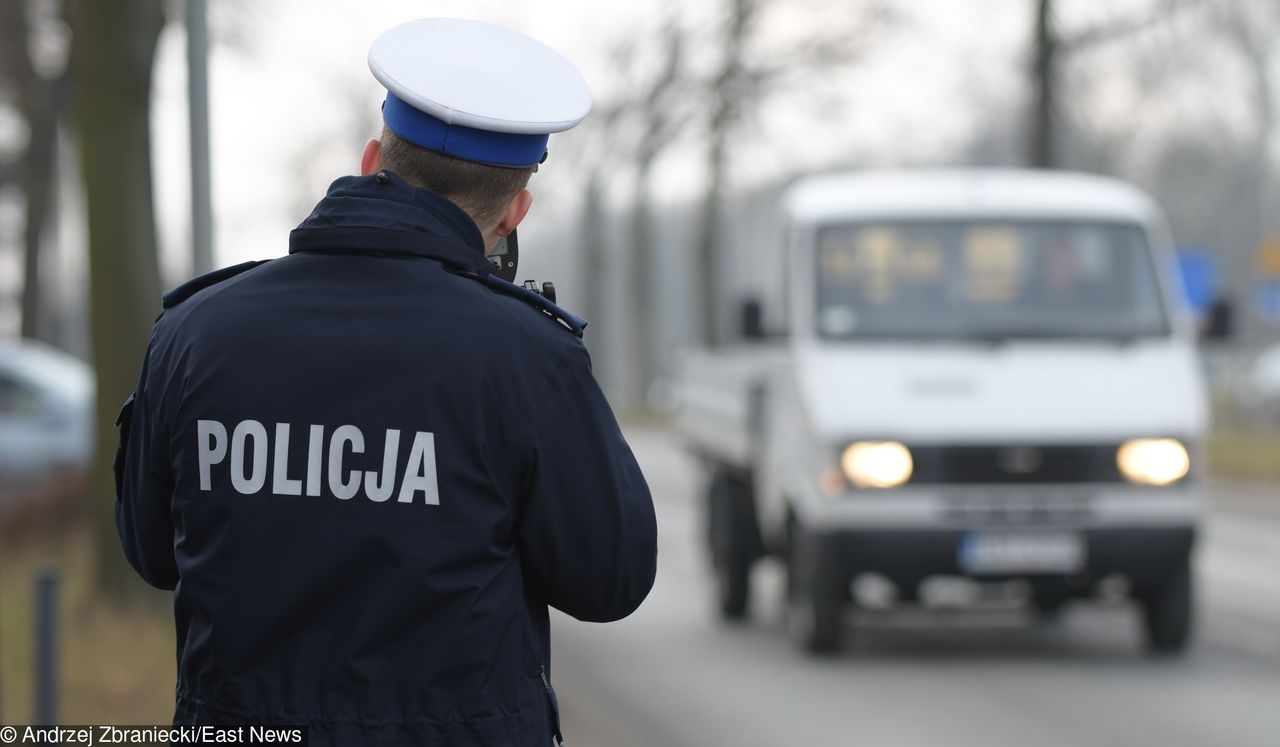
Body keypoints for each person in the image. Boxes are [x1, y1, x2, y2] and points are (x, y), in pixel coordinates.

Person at [113, 17, 657, 746]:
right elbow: (610, 581)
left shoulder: (195, 332)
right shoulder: (530, 357)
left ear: (373, 158)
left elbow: (151, 552)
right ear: (516, 210)